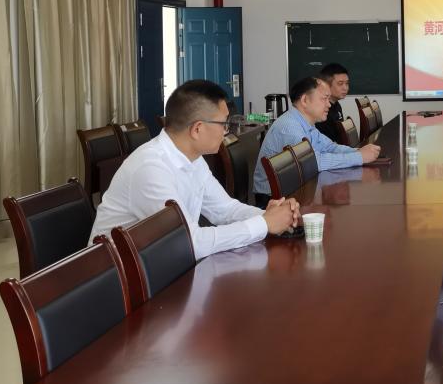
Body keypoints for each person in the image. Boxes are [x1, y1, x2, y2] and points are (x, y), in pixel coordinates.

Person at [90, 80, 300, 260]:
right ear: (197, 129)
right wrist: (264, 223)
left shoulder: (194, 158)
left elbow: (225, 210)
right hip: (116, 279)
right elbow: (189, 242)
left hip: (160, 265)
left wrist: (273, 215)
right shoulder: (150, 169)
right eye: (224, 124)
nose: (226, 131)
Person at [253, 76, 381, 204]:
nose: (329, 104)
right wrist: (359, 157)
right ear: (305, 100)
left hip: (297, 190)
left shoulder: (306, 123)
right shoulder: (290, 128)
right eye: (324, 98)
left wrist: (358, 151)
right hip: (274, 200)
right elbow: (314, 163)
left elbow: (330, 147)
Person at [316, 62, 349, 143]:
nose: (345, 88)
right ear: (326, 85)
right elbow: (327, 145)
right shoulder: (321, 111)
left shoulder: (336, 104)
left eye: (347, 83)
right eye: (340, 84)